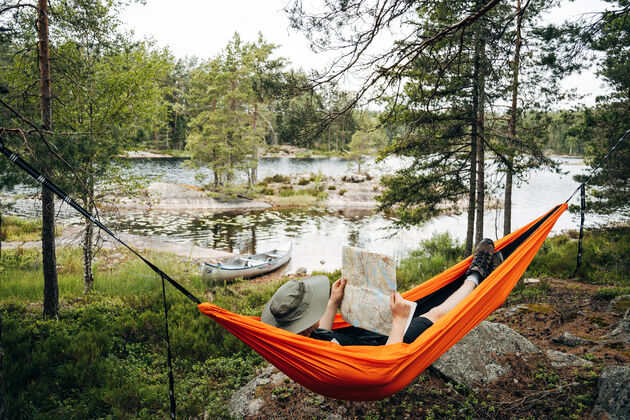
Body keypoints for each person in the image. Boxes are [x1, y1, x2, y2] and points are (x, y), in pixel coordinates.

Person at [262, 238, 500, 345]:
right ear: (307, 323)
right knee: (437, 314)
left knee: (399, 299)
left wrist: (334, 303)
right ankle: (476, 276)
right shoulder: (324, 355)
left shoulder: (304, 341)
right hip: (389, 346)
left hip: (368, 336)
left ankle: (475, 275)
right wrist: (398, 321)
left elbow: (322, 333)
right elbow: (388, 364)